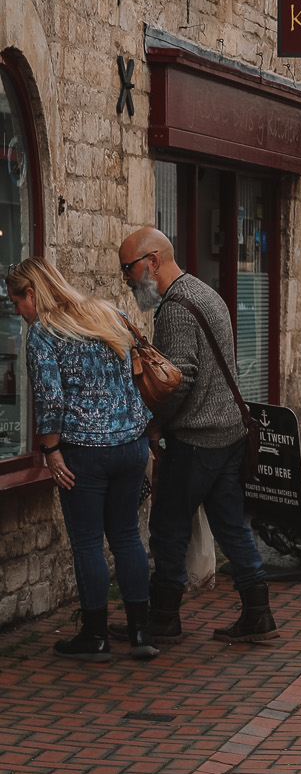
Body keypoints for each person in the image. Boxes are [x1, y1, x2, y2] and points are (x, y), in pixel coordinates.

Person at [118, 226, 279, 644]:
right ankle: (258, 612)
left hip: (197, 438)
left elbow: (179, 380)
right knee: (230, 526)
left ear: (151, 262)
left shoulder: (174, 308)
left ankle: (164, 618)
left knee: (168, 526)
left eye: (128, 269)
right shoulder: (207, 294)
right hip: (228, 433)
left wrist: (155, 424)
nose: (127, 280)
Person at [12, 256, 155, 663]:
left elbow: (51, 398)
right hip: (131, 445)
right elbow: (133, 375)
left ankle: (95, 636)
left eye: (16, 302)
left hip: (84, 451)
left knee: (89, 541)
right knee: (127, 535)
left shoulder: (44, 332)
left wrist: (51, 451)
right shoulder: (110, 312)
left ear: (32, 293)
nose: (18, 312)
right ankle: (141, 631)